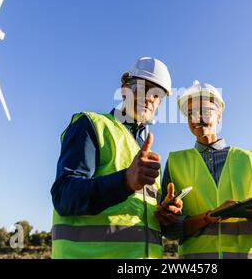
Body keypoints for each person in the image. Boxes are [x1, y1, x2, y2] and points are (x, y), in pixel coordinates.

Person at [51, 57, 182, 259]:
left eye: (157, 95)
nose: (150, 99)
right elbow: (64, 196)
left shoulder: (147, 152)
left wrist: (164, 214)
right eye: (143, 88)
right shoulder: (92, 125)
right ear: (124, 87)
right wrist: (125, 181)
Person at [161, 80, 252, 259]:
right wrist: (210, 216)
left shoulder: (249, 160)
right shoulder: (175, 162)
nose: (196, 118)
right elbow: (170, 228)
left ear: (219, 115)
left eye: (204, 111)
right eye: (190, 113)